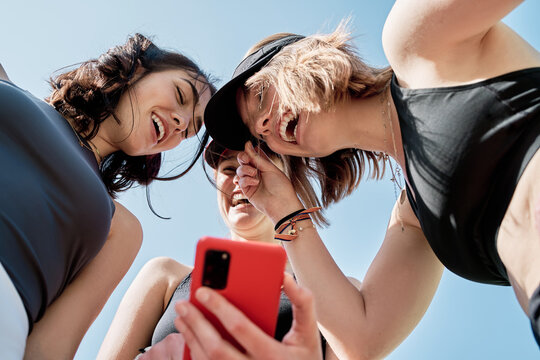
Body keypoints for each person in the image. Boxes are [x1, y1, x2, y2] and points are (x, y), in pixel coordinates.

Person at [178, 1, 540, 359]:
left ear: (301, 61)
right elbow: (362, 340)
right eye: (258, 134)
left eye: (260, 96)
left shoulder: (416, 42)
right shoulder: (414, 216)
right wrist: (285, 210)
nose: (263, 126)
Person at [0, 34, 215, 359]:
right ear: (139, 68)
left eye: (189, 130)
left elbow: (50, 348)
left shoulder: (121, 228)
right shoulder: (8, 85)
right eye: (180, 94)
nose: (181, 123)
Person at [97, 140, 355, 359]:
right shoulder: (164, 276)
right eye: (230, 169)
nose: (242, 180)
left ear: (290, 184)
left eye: (258, 168)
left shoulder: (336, 292)